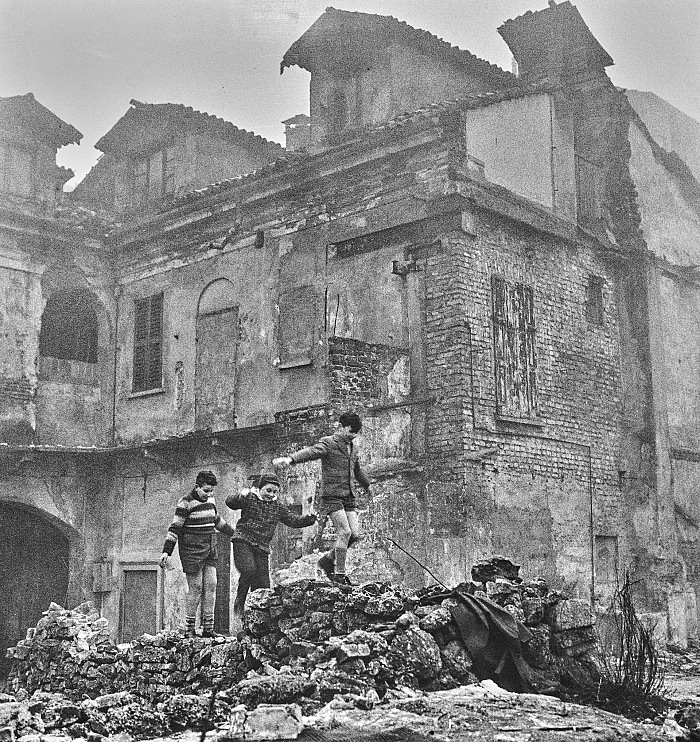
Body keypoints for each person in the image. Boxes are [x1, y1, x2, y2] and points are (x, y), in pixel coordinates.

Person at [273, 411, 370, 585]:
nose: (352, 436)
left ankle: (327, 560)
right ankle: (340, 575)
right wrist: (290, 459)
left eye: (355, 433)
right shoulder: (328, 443)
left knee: (354, 535)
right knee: (344, 532)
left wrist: (367, 485)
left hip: (348, 496)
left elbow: (356, 470)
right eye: (350, 431)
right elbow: (311, 452)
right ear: (340, 427)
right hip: (332, 496)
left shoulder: (353, 447)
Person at [225, 473, 316, 617]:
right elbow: (230, 503)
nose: (271, 494)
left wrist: (308, 519)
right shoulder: (249, 498)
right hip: (243, 541)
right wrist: (240, 496)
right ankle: (239, 601)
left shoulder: (278, 507)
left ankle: (256, 622)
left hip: (261, 547)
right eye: (268, 490)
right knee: (249, 570)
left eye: (275, 492)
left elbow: (293, 520)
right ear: (260, 488)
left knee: (263, 587)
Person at [159, 470, 235, 638]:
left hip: (209, 547)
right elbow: (175, 528)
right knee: (196, 587)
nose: (209, 494)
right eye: (206, 490)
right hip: (191, 549)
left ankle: (208, 628)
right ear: (197, 487)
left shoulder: (210, 501)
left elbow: (218, 521)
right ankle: (189, 629)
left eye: (211, 491)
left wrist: (235, 534)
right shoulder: (185, 502)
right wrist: (166, 551)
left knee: (212, 584)